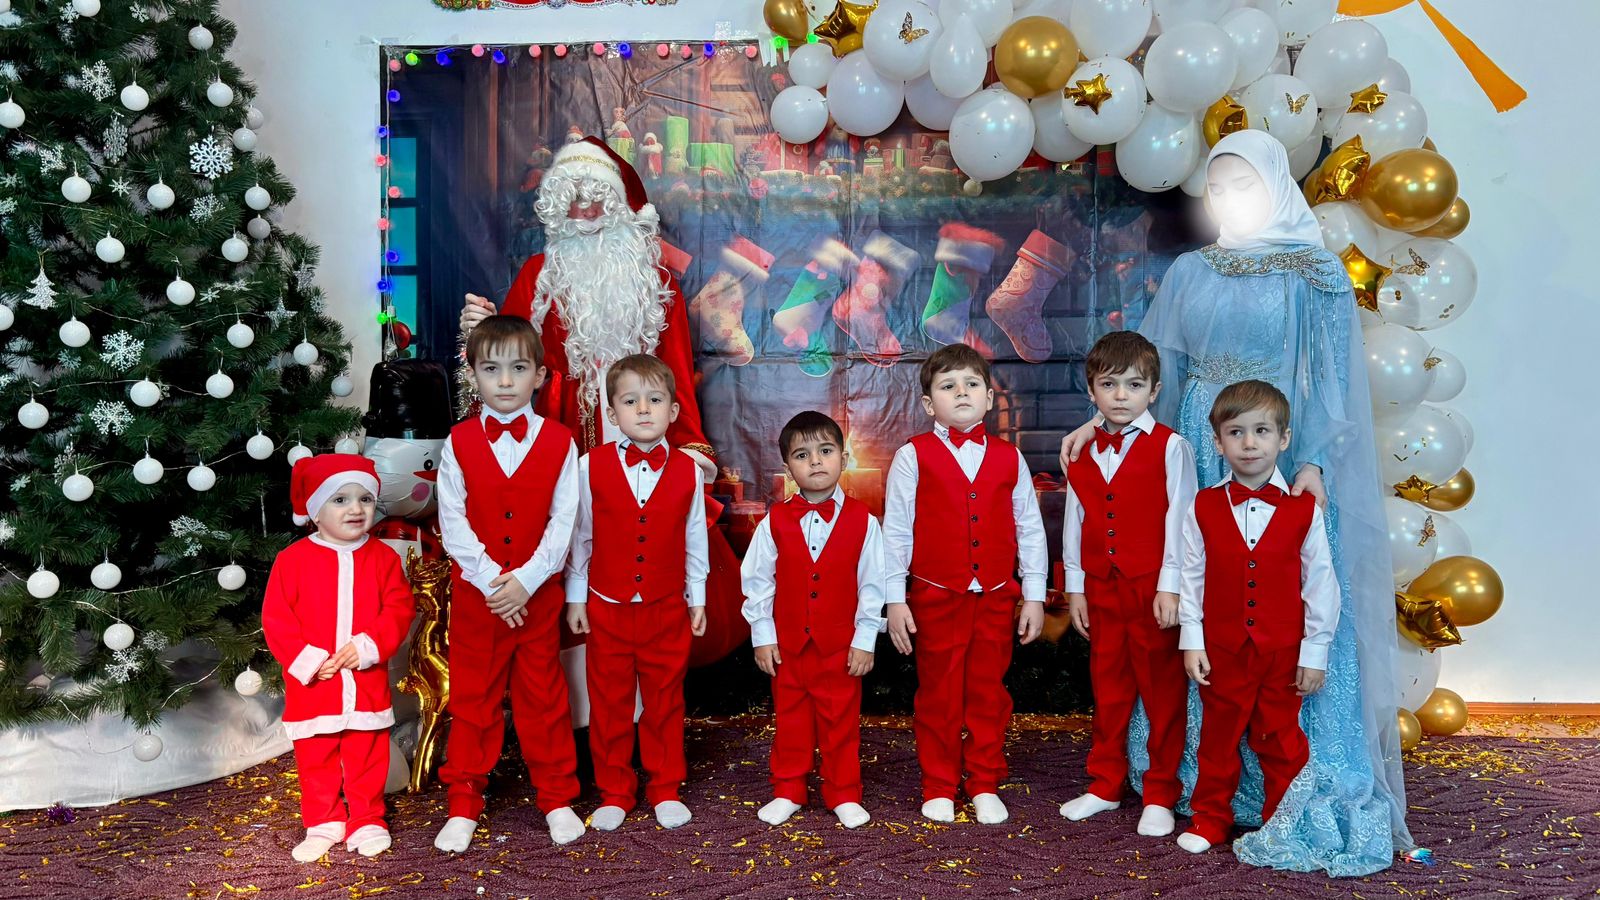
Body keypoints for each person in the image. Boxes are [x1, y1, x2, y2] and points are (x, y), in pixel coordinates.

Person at [1058, 130, 1409, 875]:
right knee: (1202, 589)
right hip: (1197, 440)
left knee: (1274, 590)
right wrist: (1103, 422)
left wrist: (1311, 459)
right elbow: (1155, 367)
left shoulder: (1314, 271)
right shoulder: (1193, 268)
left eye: (1241, 185)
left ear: (1275, 184)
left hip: (1271, 442)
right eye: (1215, 189)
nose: (1225, 200)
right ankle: (1185, 779)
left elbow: (1330, 380)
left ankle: (1283, 779)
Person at [433, 315, 585, 850]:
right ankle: (464, 801)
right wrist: (494, 583)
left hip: (537, 596)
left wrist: (525, 581)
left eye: (518, 369)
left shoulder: (561, 442)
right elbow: (452, 520)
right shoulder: (457, 441)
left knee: (543, 697)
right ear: (472, 374)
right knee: (473, 698)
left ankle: (557, 797)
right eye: (491, 369)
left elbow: (564, 522)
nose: (504, 381)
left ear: (539, 376)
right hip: (479, 599)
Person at [883, 343, 1049, 825]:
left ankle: (984, 781)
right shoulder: (912, 456)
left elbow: (1029, 529)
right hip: (935, 594)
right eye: (948, 385)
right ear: (928, 403)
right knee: (938, 693)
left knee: (987, 692)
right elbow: (897, 530)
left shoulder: (1010, 457)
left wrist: (1034, 594)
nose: (961, 392)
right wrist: (895, 599)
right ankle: (938, 783)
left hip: (995, 595)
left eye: (972, 384)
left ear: (989, 398)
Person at [1175, 381, 1339, 855]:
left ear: (1283, 439)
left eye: (1262, 431)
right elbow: (1191, 575)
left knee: (1280, 739)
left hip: (1282, 650)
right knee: (1218, 738)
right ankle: (1210, 818)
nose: (1249, 443)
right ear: (1218, 441)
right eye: (1236, 432)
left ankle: (1282, 821)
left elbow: (1320, 583)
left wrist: (1314, 652)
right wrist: (1192, 639)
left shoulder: (1304, 510)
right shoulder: (1202, 505)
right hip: (1222, 648)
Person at [1059, 332, 1197, 838]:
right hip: (1101, 587)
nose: (1121, 395)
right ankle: (1105, 784)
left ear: (1154, 390)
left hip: (1151, 587)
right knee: (1109, 688)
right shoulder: (1080, 449)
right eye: (1109, 384)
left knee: (1162, 694)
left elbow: (1183, 520)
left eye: (1134, 385)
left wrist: (1170, 585)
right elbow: (1076, 518)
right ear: (1091, 391)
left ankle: (1160, 794)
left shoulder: (1172, 447)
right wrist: (1076, 586)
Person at [564, 354, 709, 832]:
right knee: (609, 702)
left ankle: (665, 787)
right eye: (630, 401)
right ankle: (615, 790)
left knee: (665, 701)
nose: (643, 409)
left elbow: (695, 538)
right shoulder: (589, 466)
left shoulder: (689, 470)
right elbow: (581, 536)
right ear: (612, 412)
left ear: (673, 410)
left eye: (654, 399)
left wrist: (697, 597)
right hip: (607, 605)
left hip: (666, 607)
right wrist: (577, 596)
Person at [262, 454, 415, 862]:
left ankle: (367, 819)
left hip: (364, 681)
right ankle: (323, 821)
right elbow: (277, 620)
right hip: (315, 684)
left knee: (367, 753)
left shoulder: (383, 558)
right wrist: (309, 660)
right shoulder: (292, 560)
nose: (355, 509)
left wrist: (366, 646)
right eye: (340, 500)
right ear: (315, 510)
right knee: (317, 756)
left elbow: (399, 610)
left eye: (365, 499)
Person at [740, 412, 887, 830]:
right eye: (802, 455)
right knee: (791, 721)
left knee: (841, 722)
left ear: (844, 457)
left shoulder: (864, 521)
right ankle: (788, 789)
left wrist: (865, 639)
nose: (816, 461)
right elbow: (758, 581)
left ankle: (844, 792)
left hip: (840, 647)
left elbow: (873, 585)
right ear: (788, 467)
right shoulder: (773, 522)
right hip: (789, 647)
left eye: (825, 451)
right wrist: (763, 635)